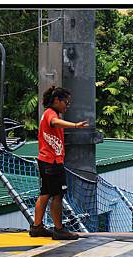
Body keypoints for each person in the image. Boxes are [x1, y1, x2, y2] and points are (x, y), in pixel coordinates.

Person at [29, 86, 89, 240]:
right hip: (52, 162)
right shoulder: (50, 114)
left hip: (45, 160)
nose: (66, 106)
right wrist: (75, 125)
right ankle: (59, 229)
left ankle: (37, 227)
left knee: (45, 193)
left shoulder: (47, 113)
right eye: (65, 103)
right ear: (57, 100)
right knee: (57, 196)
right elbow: (55, 122)